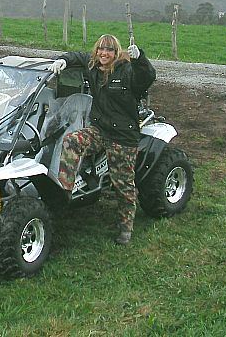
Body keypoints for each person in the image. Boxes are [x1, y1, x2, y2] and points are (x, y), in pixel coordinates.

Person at [48, 34, 156, 245]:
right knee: (71, 141)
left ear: (116, 53)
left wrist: (140, 59)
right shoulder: (93, 67)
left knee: (122, 185)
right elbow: (77, 56)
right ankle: (64, 194)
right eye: (101, 49)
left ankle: (125, 227)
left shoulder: (126, 71)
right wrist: (63, 60)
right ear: (96, 51)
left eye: (109, 50)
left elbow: (146, 77)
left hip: (122, 136)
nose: (104, 53)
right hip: (100, 130)